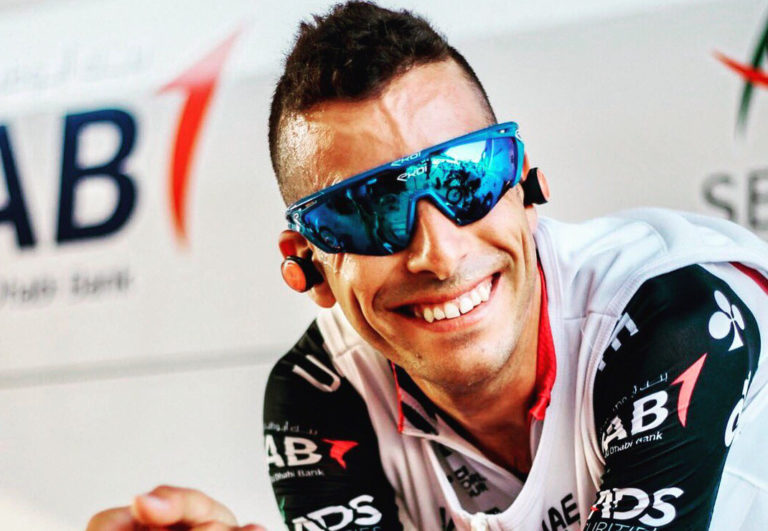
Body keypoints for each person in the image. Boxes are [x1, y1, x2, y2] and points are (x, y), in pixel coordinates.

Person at [88, 2, 768, 530]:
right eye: (369, 212)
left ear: (524, 185)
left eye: (467, 179)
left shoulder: (676, 318)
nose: (439, 253)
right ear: (308, 266)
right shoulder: (323, 392)